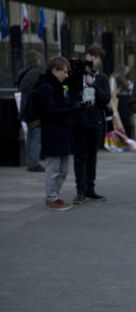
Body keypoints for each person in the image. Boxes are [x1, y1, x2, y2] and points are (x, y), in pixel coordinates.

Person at [34, 56, 80, 211]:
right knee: (53, 169)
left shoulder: (58, 85)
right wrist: (72, 109)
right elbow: (51, 111)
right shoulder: (46, 87)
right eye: (64, 72)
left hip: (62, 131)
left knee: (63, 169)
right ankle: (51, 198)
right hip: (53, 132)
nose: (66, 76)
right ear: (55, 70)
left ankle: (55, 196)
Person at [70, 44, 111, 204]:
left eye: (96, 57)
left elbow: (106, 98)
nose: (92, 59)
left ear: (100, 60)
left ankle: (90, 188)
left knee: (92, 157)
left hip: (95, 122)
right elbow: (71, 92)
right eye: (90, 56)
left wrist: (93, 84)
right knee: (80, 157)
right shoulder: (77, 74)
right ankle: (80, 190)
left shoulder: (102, 78)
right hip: (79, 121)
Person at [17, 49, 45, 172]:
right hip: (34, 109)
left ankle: (31, 161)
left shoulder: (24, 72)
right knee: (36, 136)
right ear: (37, 60)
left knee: (31, 135)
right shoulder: (36, 72)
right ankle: (34, 163)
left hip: (26, 109)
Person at [110, 64, 133, 138]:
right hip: (121, 99)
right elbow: (127, 87)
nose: (127, 72)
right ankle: (124, 136)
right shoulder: (119, 77)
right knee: (123, 118)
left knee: (119, 118)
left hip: (117, 99)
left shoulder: (113, 77)